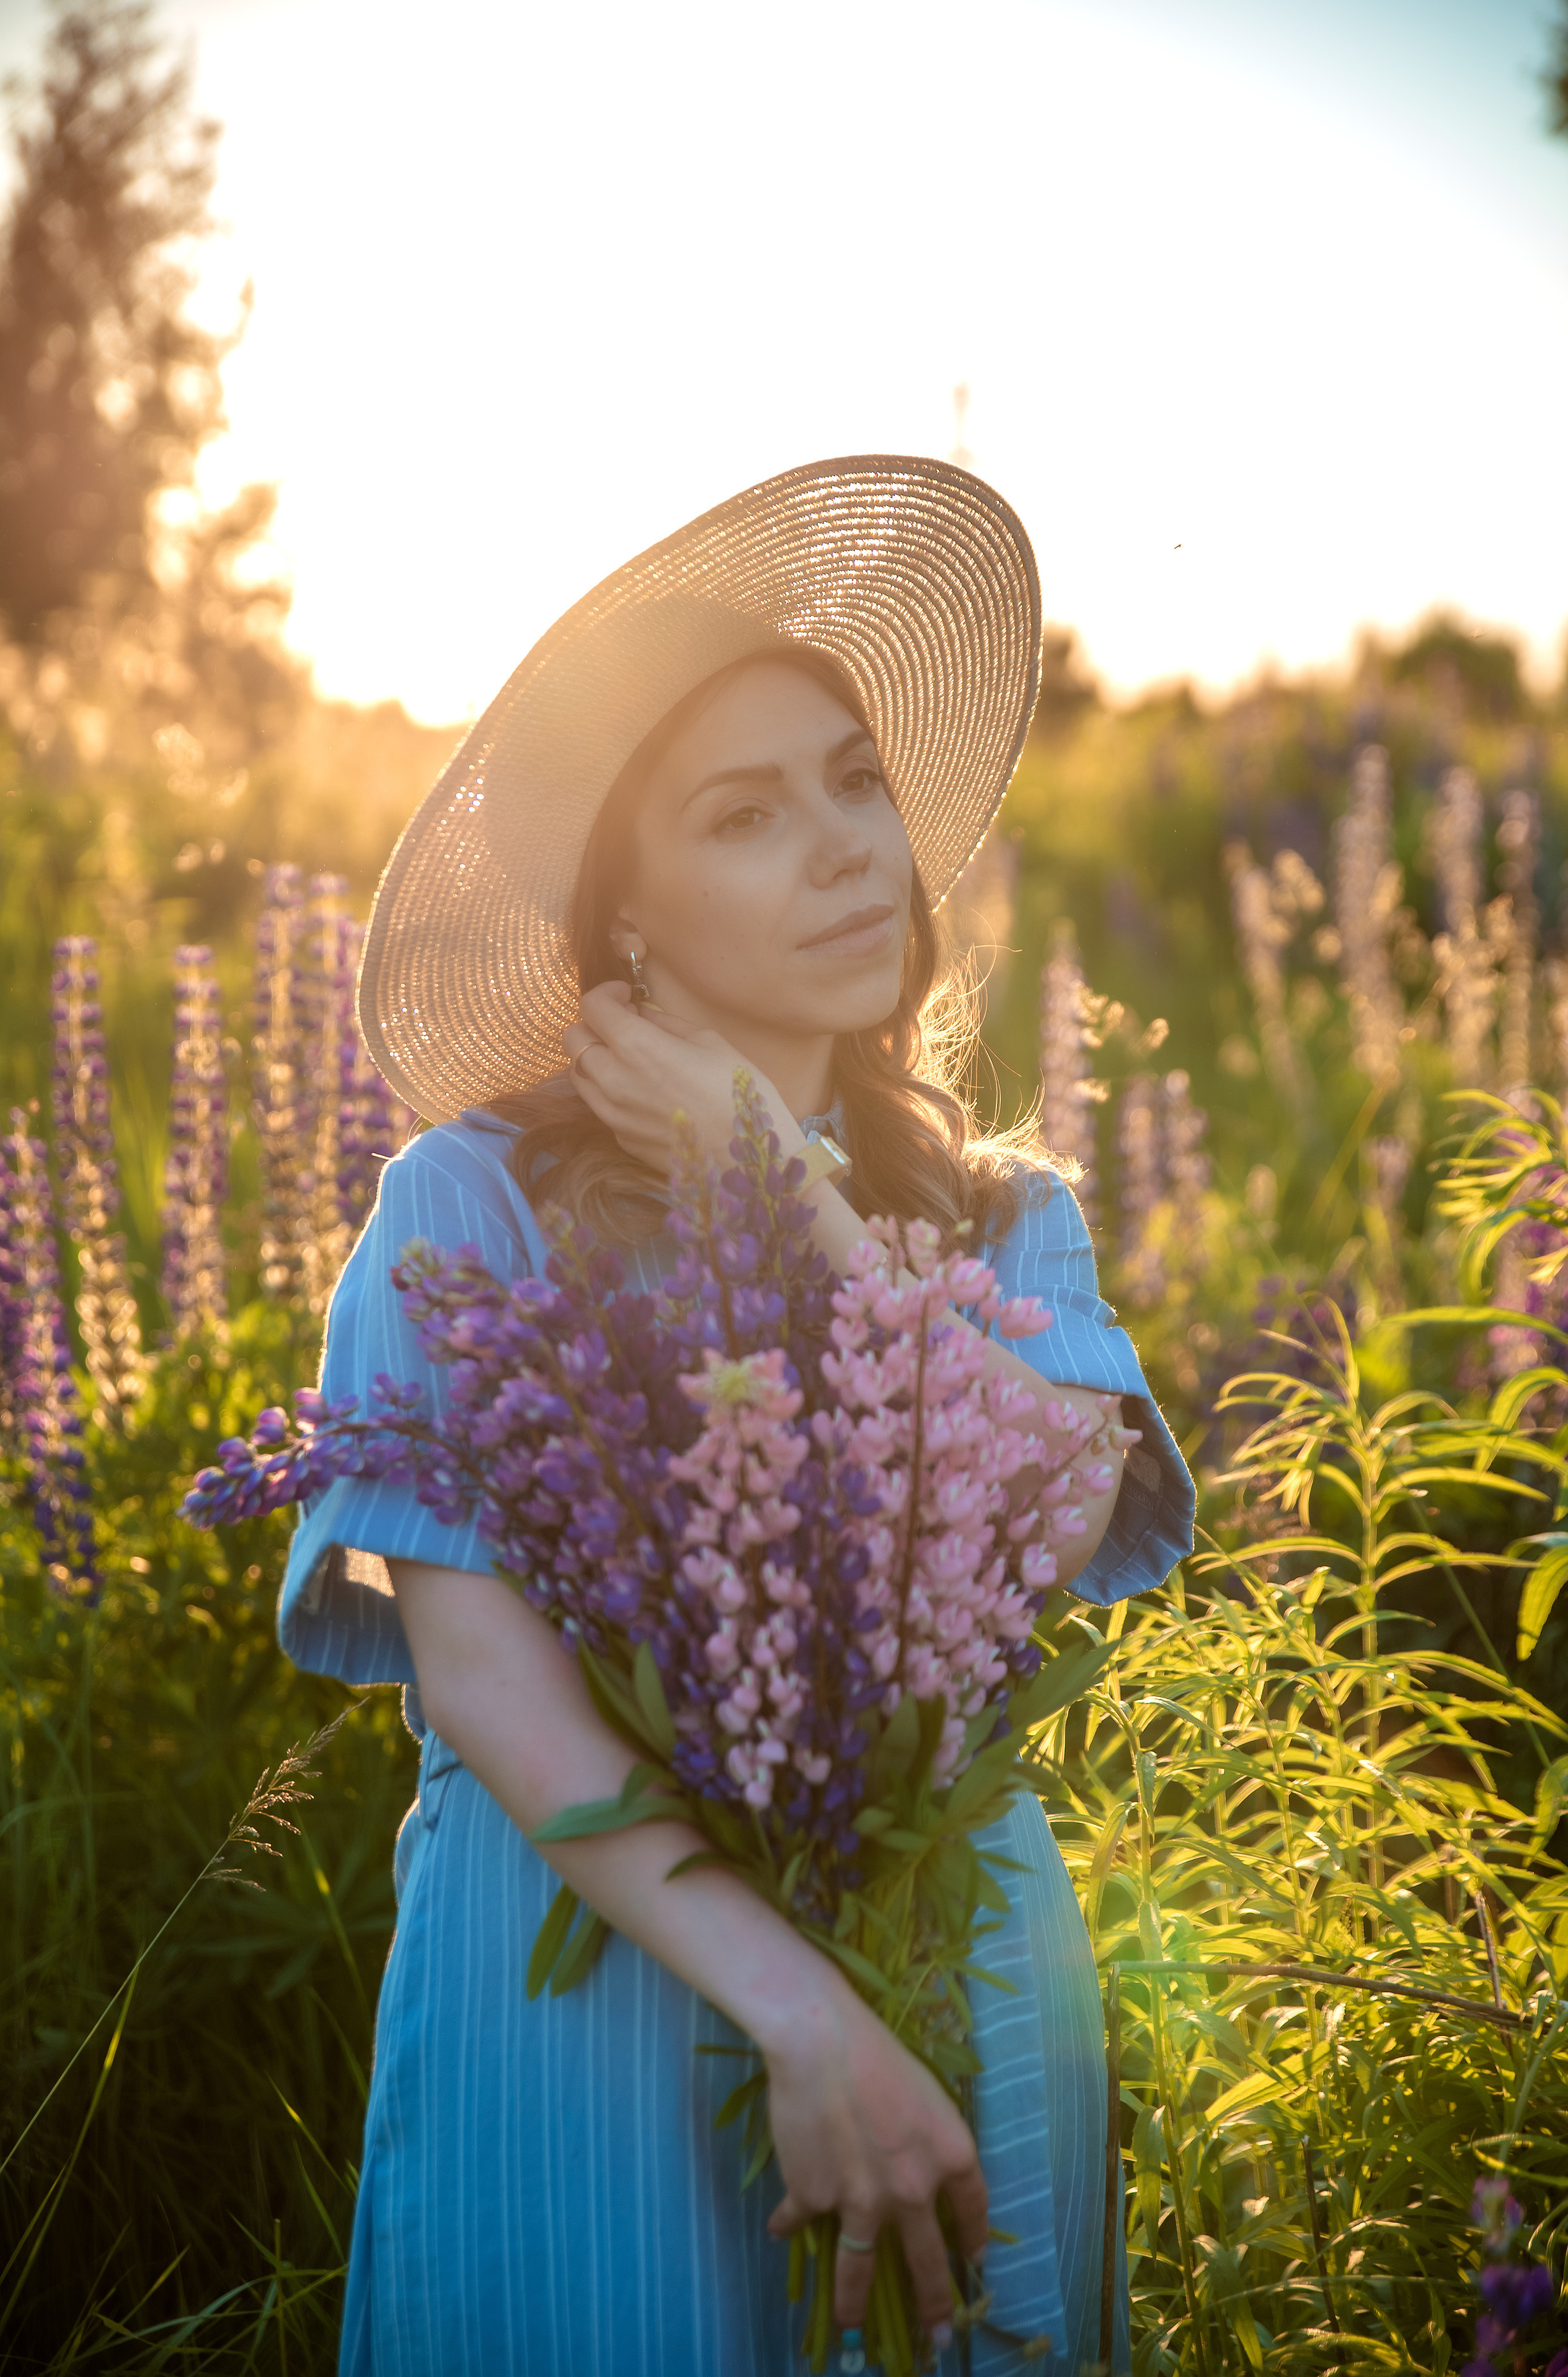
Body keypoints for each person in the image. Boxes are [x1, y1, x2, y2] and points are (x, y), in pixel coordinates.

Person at [278, 456, 1195, 2377]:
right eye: (748, 813)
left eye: (857, 779)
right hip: (605, 1998)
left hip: (963, 1965)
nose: (851, 845)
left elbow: (1038, 1509)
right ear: (626, 918)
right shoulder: (471, 1208)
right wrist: (803, 2015)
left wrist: (785, 1191)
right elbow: (489, 1685)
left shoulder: (1006, 1212)